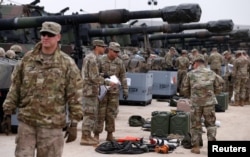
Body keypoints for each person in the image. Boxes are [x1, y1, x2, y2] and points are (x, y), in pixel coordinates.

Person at [2, 21, 83, 157]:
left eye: (50, 35)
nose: (45, 37)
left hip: (52, 126)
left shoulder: (67, 63)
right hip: (27, 123)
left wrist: (74, 122)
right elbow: (16, 86)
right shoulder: (28, 59)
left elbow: (75, 94)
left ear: (58, 37)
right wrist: (7, 112)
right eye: (43, 34)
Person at [181, 56, 224, 154]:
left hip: (196, 103)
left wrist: (191, 96)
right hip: (209, 103)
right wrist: (211, 95)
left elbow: (184, 88)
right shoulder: (212, 73)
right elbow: (219, 86)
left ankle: (196, 147)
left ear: (196, 63)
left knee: (195, 125)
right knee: (211, 124)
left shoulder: (190, 74)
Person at [80, 39, 116, 145]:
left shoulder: (92, 57)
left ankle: (87, 135)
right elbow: (93, 77)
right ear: (96, 47)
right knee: (89, 114)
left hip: (91, 90)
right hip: (90, 90)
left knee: (91, 113)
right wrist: (108, 82)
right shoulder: (92, 59)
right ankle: (85, 137)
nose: (104, 48)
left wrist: (103, 76)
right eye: (102, 46)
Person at [94, 42, 128, 141]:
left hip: (114, 92)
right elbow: (96, 75)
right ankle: (96, 134)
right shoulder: (100, 60)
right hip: (103, 91)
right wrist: (105, 80)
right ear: (109, 50)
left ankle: (110, 134)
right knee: (100, 113)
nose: (117, 54)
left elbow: (123, 76)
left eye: (118, 52)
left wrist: (125, 90)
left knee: (111, 114)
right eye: (115, 51)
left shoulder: (119, 62)